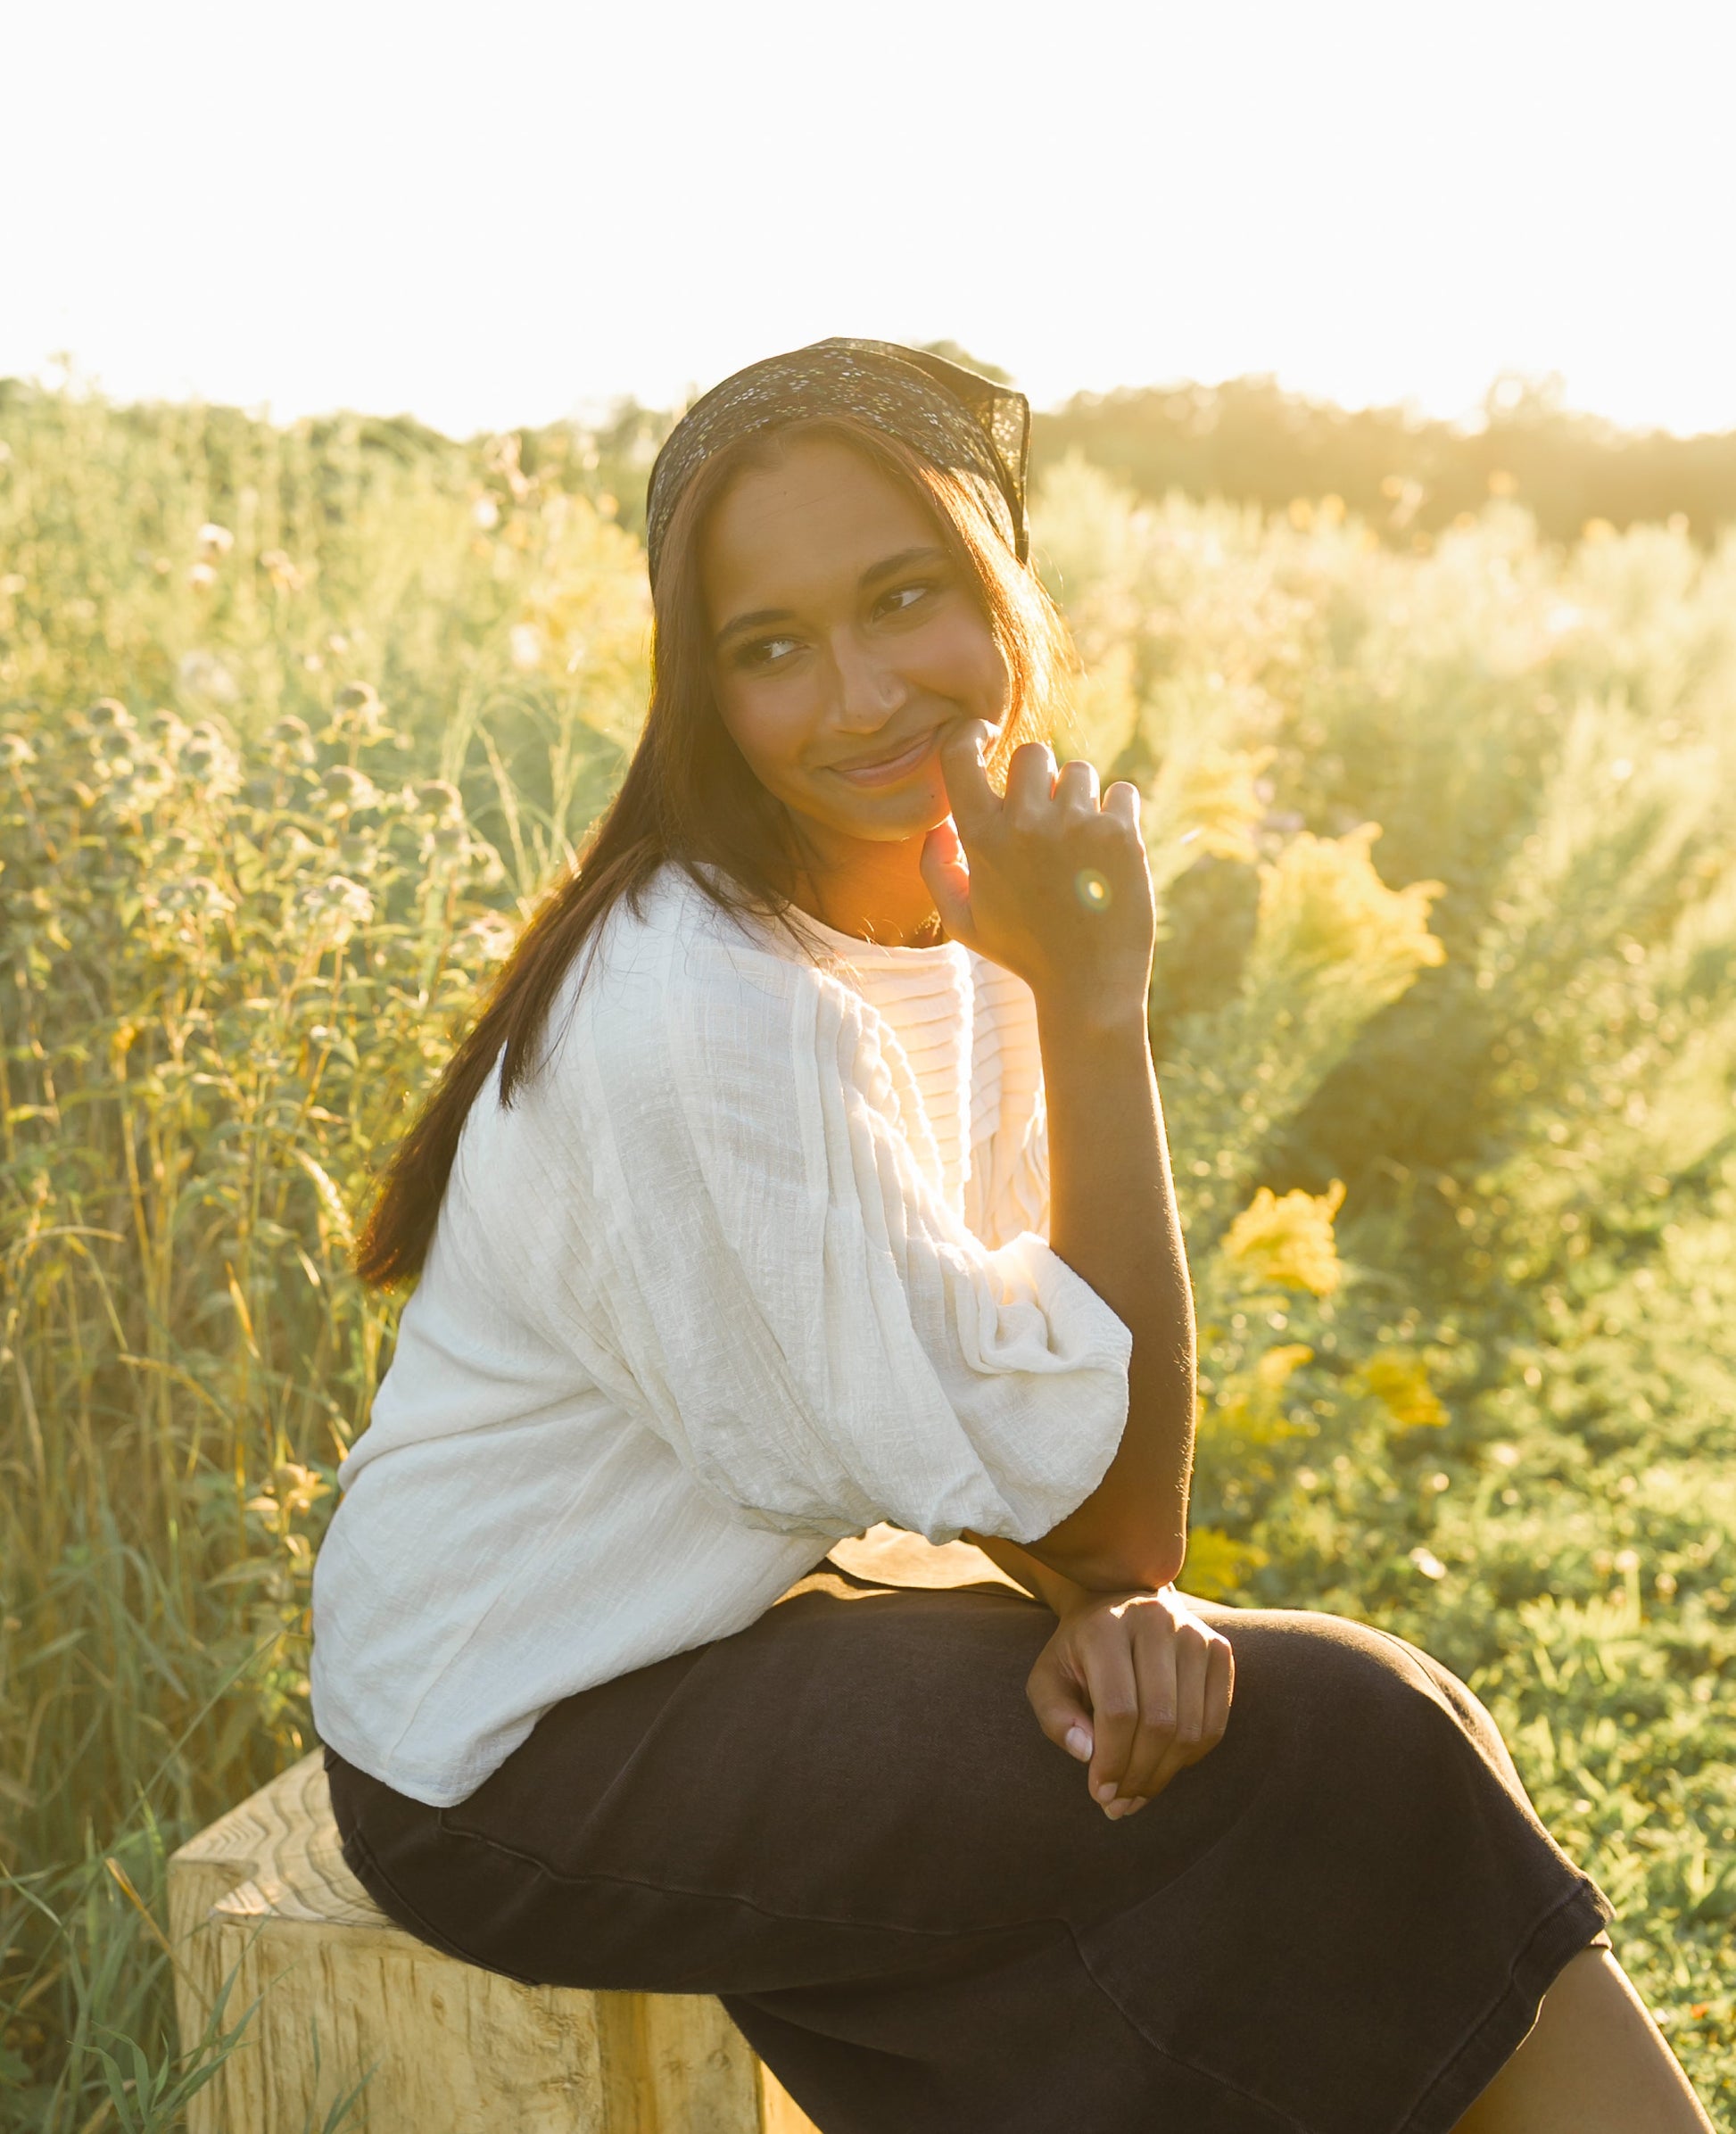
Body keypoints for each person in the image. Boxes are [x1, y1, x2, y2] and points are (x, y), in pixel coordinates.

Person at [310, 340, 1711, 2133]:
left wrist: (1104, 1599)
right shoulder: (712, 1006)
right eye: (770, 646)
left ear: (1001, 592)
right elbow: (1110, 1501)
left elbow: (1035, 1424)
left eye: (905, 600)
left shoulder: (922, 898)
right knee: (1346, 1737)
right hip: (513, 1744)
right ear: (699, 689)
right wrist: (1095, 1007)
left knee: (1341, 1733)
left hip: (723, 1622)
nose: (862, 695)